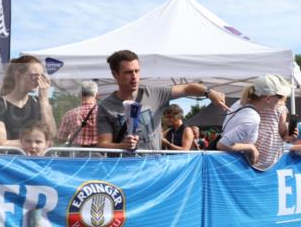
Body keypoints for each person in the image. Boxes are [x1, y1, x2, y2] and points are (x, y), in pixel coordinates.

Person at [97, 50, 227, 151]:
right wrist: (122, 146)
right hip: (125, 172)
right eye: (128, 72)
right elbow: (103, 144)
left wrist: (209, 92)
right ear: (115, 74)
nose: (135, 77)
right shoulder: (106, 106)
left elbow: (188, 88)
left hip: (154, 169)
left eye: (137, 71)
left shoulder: (154, 93)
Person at [217, 75, 301, 171]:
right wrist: (251, 147)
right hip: (238, 167)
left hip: (234, 164)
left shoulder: (240, 104)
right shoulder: (253, 118)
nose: (281, 101)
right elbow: (222, 144)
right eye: (279, 96)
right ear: (268, 98)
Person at [0, 55, 56, 146]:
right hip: (8, 159)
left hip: (35, 159)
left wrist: (44, 101)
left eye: (41, 76)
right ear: (18, 75)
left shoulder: (38, 103)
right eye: (34, 76)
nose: (38, 81)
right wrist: (35, 143)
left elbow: (51, 135)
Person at [57, 81, 100, 147]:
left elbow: (61, 139)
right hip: (99, 153)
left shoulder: (69, 114)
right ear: (97, 95)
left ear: (80, 95)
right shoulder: (103, 113)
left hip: (77, 153)